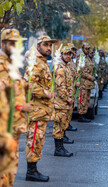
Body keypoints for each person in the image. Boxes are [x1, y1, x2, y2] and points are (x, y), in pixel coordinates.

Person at [0, 29, 32, 186]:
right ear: (3, 44)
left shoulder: (12, 64)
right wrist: (21, 106)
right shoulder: (1, 65)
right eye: (11, 43)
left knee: (10, 173)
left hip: (15, 127)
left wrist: (26, 85)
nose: (14, 47)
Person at [24, 35, 57, 182]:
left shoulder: (43, 62)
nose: (49, 48)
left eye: (50, 45)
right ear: (38, 47)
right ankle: (31, 171)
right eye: (45, 45)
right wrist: (46, 93)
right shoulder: (35, 63)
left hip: (42, 110)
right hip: (36, 110)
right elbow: (29, 85)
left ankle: (33, 169)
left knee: (39, 140)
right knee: (34, 139)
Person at [53, 46, 76, 157]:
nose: (68, 56)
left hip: (66, 103)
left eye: (69, 54)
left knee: (63, 126)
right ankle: (58, 149)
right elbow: (60, 87)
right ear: (61, 55)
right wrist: (68, 98)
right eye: (65, 54)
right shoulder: (60, 68)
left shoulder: (67, 67)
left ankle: (61, 147)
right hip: (61, 103)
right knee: (58, 126)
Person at [76, 43, 95, 122]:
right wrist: (90, 77)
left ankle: (84, 114)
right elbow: (80, 71)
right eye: (86, 49)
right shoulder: (80, 58)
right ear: (83, 49)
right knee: (82, 100)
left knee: (87, 100)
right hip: (83, 83)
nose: (87, 50)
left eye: (88, 49)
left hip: (88, 84)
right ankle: (81, 116)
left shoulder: (88, 58)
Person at [65, 43, 78, 132]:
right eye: (73, 50)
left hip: (72, 89)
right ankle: (65, 129)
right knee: (64, 113)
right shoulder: (66, 62)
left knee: (69, 111)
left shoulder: (72, 61)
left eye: (74, 50)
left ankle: (68, 125)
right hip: (66, 91)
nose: (74, 52)